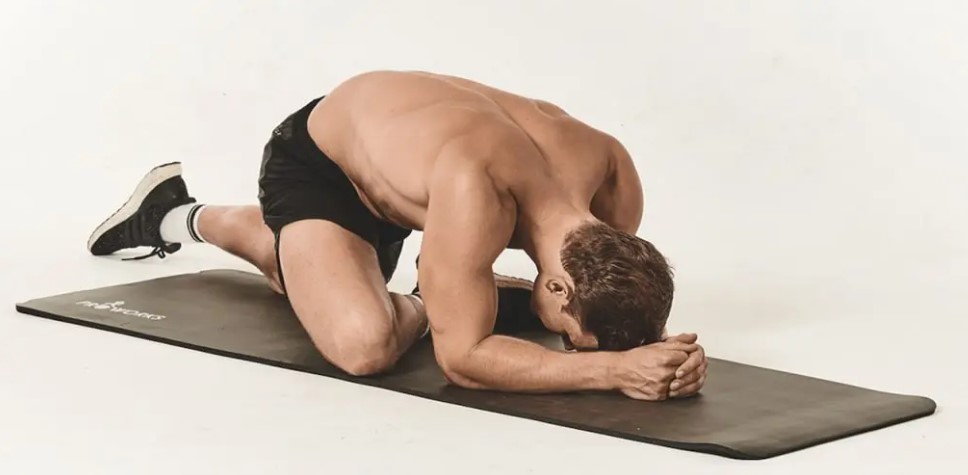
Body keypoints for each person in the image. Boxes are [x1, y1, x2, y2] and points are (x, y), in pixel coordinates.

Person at [87, 71, 707, 401]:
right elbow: (462, 361)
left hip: (413, 178)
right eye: (574, 335)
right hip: (324, 166)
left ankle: (178, 211)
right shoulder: (478, 192)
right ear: (557, 285)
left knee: (296, 280)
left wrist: (666, 356)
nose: (574, 346)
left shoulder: (611, 179)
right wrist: (612, 373)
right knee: (365, 342)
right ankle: (177, 217)